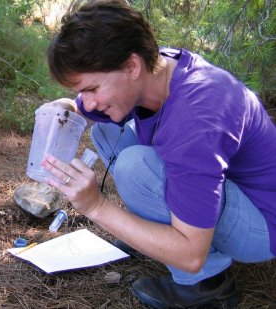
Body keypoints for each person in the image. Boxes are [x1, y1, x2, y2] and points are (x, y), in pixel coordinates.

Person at [40, 0, 276, 308]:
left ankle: (207, 285)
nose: (88, 101)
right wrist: (64, 108)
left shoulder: (196, 118)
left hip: (262, 224)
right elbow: (83, 110)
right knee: (106, 130)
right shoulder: (157, 67)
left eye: (92, 89)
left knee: (133, 166)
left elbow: (190, 255)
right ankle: (154, 231)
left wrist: (95, 206)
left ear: (132, 67)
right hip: (223, 192)